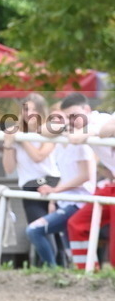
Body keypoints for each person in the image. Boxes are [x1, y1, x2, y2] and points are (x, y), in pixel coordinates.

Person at [25, 109, 96, 267]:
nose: (57, 123)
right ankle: (59, 271)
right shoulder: (59, 145)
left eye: (63, 119)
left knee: (34, 231)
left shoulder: (79, 144)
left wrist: (55, 191)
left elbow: (85, 176)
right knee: (69, 246)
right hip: (66, 202)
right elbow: (41, 130)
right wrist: (55, 198)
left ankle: (52, 269)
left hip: (78, 203)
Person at [59, 97, 115, 269]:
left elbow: (106, 129)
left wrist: (89, 132)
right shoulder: (83, 125)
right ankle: (88, 273)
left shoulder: (100, 120)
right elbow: (44, 130)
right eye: (68, 117)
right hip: (112, 185)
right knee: (76, 224)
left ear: (87, 110)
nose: (72, 121)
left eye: (74, 115)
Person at [2, 93, 60, 226]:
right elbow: (9, 168)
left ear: (41, 111)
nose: (29, 113)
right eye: (26, 109)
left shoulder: (49, 131)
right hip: (29, 186)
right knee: (36, 230)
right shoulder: (16, 134)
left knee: (56, 235)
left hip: (52, 184)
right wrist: (8, 144)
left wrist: (23, 139)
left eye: (34, 110)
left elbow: (38, 157)